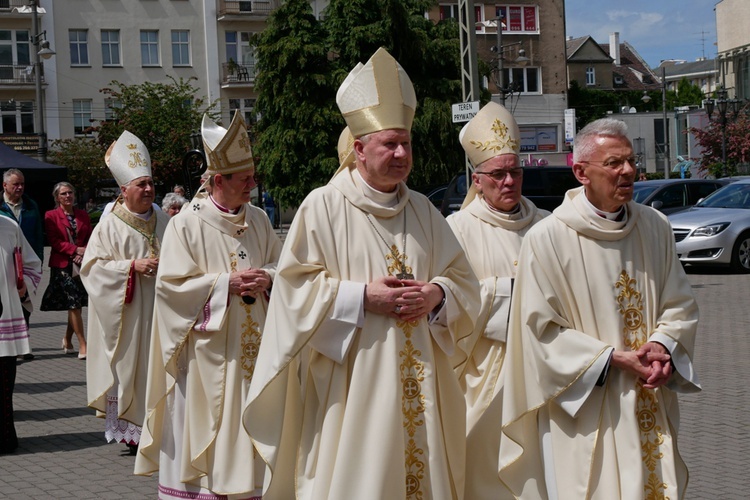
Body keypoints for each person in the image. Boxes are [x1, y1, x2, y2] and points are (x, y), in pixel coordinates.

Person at [245, 47, 480, 499]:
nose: (400, 153)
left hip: (422, 381)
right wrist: (361, 297)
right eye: (389, 143)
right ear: (358, 149)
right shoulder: (324, 206)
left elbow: (462, 280)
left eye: (405, 143)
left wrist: (436, 294)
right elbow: (294, 291)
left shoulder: (424, 212)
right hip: (352, 384)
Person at [498, 118, 700, 499]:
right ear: (580, 172)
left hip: (648, 396)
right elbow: (538, 333)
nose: (627, 171)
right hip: (585, 409)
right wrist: (611, 359)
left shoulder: (654, 226)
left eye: (630, 161)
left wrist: (663, 344)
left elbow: (680, 301)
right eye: (613, 163)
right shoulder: (548, 239)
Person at [135, 112, 282, 499]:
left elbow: (285, 269)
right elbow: (170, 289)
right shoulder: (187, 224)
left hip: (256, 352)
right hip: (206, 358)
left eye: (253, 175)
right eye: (244, 178)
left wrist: (268, 277)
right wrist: (224, 284)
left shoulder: (260, 220)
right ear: (218, 180)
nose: (253, 184)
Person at [445, 101, 549, 499]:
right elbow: (448, 302)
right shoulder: (455, 231)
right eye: (498, 174)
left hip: (541, 371)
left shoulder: (547, 225)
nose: (509, 181)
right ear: (476, 180)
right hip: (481, 375)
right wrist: (509, 294)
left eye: (515, 172)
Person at [80, 131, 170, 455]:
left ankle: (160, 428)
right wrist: (132, 267)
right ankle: (134, 435)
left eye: (150, 183)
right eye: (141, 185)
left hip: (161, 313)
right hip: (129, 318)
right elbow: (91, 269)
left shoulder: (164, 219)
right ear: (124, 190)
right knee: (132, 369)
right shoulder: (109, 226)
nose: (148, 189)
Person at [0, 216, 41, 454]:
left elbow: (32, 264)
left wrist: (24, 285)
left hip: (4, 317)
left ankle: (5, 438)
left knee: (4, 384)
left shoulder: (9, 226)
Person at [40, 182, 92, 360]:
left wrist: (83, 251)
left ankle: (67, 339)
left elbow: (91, 237)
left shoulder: (83, 215)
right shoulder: (51, 215)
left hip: (80, 264)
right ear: (57, 198)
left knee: (75, 304)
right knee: (74, 303)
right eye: (63, 194)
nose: (68, 196)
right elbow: (54, 241)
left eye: (70, 192)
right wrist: (74, 250)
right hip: (62, 265)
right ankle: (83, 344)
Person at [1, 168, 44, 360]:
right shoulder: (1, 206)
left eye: (22, 184)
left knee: (23, 306)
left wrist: (36, 265)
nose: (19, 188)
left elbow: (37, 236)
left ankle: (21, 344)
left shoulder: (30, 206)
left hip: (19, 267)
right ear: (4, 186)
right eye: (15, 184)